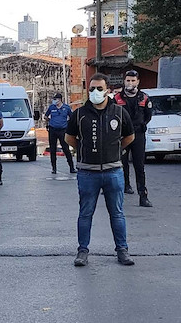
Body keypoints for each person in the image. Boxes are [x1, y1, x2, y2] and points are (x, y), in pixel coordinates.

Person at [65, 73, 136, 267]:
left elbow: (129, 136)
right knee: (86, 213)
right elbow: (69, 138)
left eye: (99, 88)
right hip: (87, 172)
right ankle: (82, 251)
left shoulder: (119, 112)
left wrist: (116, 150)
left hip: (113, 172)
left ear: (107, 90)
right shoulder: (79, 114)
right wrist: (82, 151)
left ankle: (122, 250)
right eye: (92, 89)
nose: (95, 92)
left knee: (117, 213)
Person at [114, 70, 153, 207]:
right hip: (122, 135)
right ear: (124, 81)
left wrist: (140, 125)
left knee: (139, 165)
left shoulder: (144, 98)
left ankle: (143, 195)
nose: (130, 83)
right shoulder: (117, 98)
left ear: (138, 82)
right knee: (121, 163)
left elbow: (148, 116)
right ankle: (124, 187)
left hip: (138, 135)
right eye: (128, 80)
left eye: (133, 81)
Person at [44, 93, 76, 174]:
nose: (55, 101)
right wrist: (48, 121)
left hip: (62, 130)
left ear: (60, 99)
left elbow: (72, 117)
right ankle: (54, 168)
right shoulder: (52, 107)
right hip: (52, 129)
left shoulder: (66, 108)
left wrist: (68, 124)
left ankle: (71, 167)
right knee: (52, 149)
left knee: (65, 148)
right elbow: (46, 116)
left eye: (56, 99)